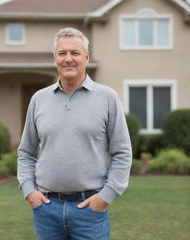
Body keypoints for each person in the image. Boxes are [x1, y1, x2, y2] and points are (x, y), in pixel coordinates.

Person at [17, 27, 132, 240]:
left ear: (86, 57)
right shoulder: (39, 99)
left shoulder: (107, 98)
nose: (68, 59)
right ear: (55, 59)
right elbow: (26, 152)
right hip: (46, 210)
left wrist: (105, 198)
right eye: (62, 53)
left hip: (90, 210)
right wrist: (29, 192)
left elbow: (122, 153)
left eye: (75, 53)